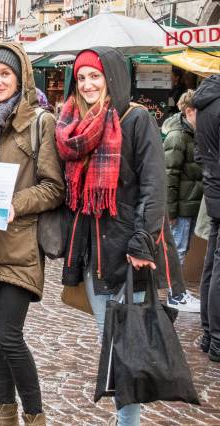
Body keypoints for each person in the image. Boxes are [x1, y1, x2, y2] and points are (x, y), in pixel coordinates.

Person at [56, 48, 185, 425]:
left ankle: (128, 422)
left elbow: (154, 185)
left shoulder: (136, 119)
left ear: (112, 78)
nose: (88, 84)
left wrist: (142, 239)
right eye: (81, 78)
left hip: (130, 253)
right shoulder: (72, 126)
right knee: (111, 345)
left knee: (125, 350)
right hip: (93, 255)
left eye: (95, 76)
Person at [0, 42, 64, 426]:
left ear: (20, 77)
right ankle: (4, 412)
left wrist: (15, 203)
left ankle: (35, 415)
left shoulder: (40, 122)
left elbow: (55, 187)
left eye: (5, 74)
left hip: (19, 244)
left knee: (9, 335)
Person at [162, 89, 202, 313]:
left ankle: (177, 293)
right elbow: (169, 176)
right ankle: (175, 295)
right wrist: (172, 213)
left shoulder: (191, 134)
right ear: (189, 111)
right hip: (181, 208)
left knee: (179, 250)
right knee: (176, 250)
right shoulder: (178, 137)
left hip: (188, 204)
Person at [193, 74, 220, 361]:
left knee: (212, 264)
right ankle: (217, 340)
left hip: (213, 188)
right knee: (217, 267)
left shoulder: (205, 102)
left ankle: (209, 333)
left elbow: (199, 154)